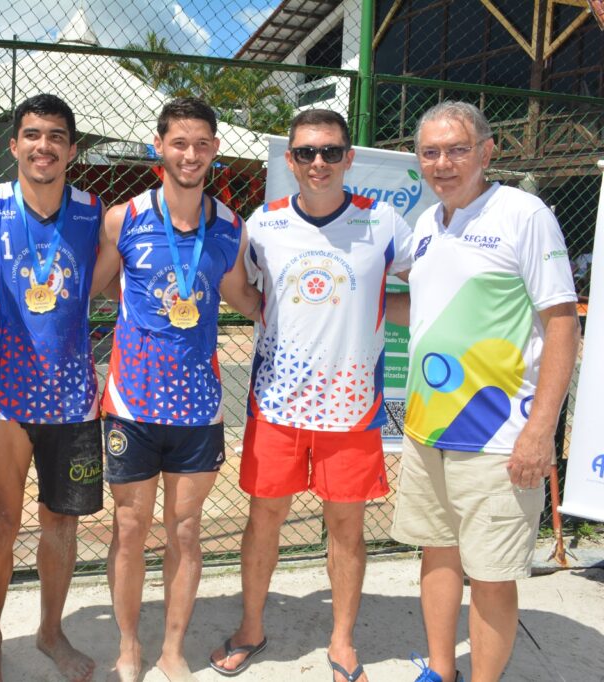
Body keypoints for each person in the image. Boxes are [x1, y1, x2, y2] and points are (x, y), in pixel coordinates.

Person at [208, 109, 414, 681]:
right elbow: (243, 289)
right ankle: (252, 628)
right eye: (305, 153)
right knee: (263, 521)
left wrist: (382, 309)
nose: (317, 162)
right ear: (291, 161)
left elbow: (427, 287)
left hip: (352, 410)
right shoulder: (265, 224)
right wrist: (258, 310)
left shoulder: (386, 223)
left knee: (347, 531)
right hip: (277, 406)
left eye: (329, 151)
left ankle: (343, 641)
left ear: (349, 158)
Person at [392, 101, 579, 682]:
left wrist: (540, 429)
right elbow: (421, 312)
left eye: (457, 150)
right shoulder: (426, 224)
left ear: (487, 151)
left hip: (499, 436)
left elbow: (562, 321)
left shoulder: (524, 213)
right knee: (437, 553)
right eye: (430, 152)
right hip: (427, 429)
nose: (442, 163)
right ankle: (441, 671)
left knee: (492, 577)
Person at [98, 97, 259, 682]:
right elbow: (87, 289)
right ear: (158, 147)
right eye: (179, 143)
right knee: (130, 530)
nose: (190, 154)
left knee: (185, 532)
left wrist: (306, 311)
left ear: (214, 150)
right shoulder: (125, 218)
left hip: (197, 408)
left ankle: (171, 649)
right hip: (132, 405)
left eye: (201, 144)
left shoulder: (230, 226)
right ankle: (128, 647)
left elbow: (242, 295)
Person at [0, 93, 117, 682]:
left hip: (74, 400)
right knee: (0, 524)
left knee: (61, 524)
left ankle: (51, 633)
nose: (42, 145)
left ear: (71, 149)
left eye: (55, 136)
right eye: (32, 134)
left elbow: (110, 285)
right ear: (14, 144)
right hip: (3, 399)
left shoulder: (93, 213)